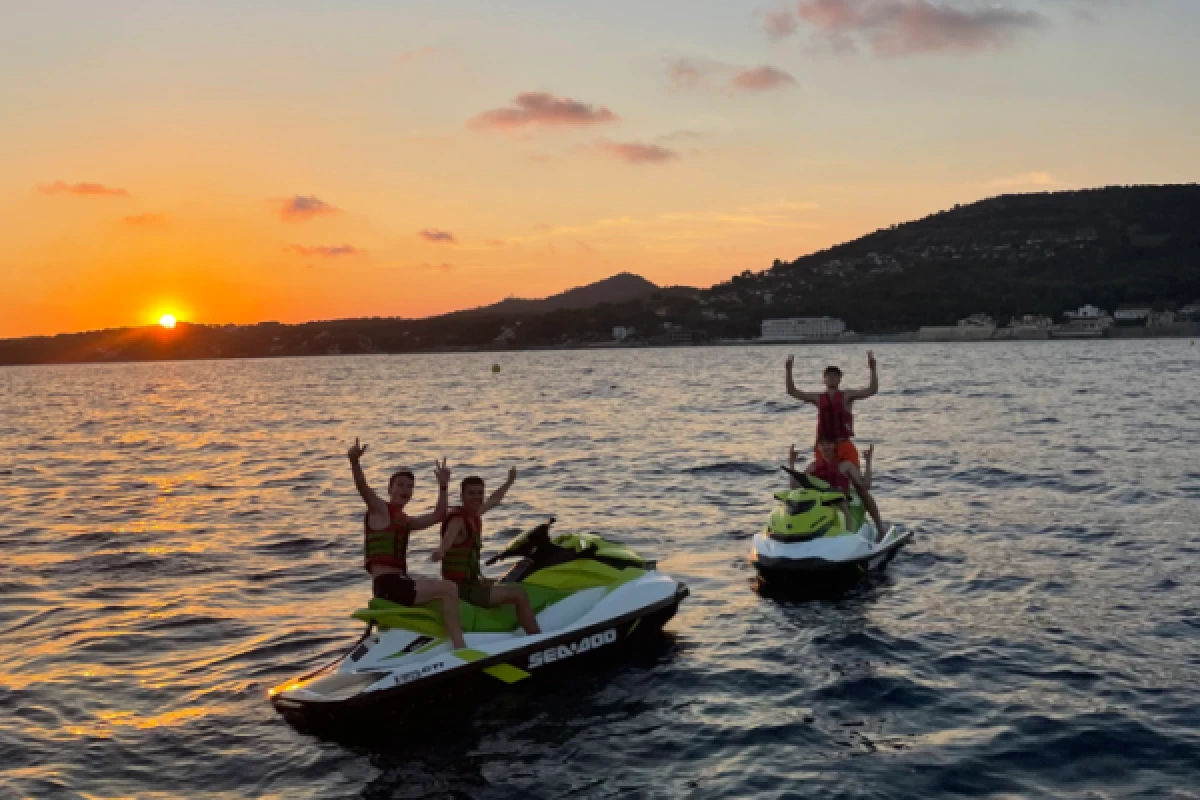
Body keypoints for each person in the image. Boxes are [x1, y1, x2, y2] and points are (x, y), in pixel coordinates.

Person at [347, 438, 468, 650]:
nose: (406, 489)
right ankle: (460, 647)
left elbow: (439, 515)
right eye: (401, 485)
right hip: (389, 586)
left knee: (439, 588)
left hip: (399, 583)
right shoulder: (380, 511)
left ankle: (428, 643)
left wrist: (443, 486)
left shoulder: (405, 520)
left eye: (410, 486)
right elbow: (363, 488)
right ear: (390, 489)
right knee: (449, 589)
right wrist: (354, 462)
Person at [433, 469, 541, 636]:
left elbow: (495, 499)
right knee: (519, 594)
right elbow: (447, 540)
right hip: (462, 589)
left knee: (514, 581)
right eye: (471, 493)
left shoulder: (474, 514)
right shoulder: (458, 520)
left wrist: (509, 481)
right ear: (462, 495)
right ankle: (536, 638)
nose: (476, 497)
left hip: (472, 583)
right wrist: (440, 552)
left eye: (479, 493)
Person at [784, 350, 878, 467]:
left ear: (840, 379)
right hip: (824, 447)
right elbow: (792, 392)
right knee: (821, 474)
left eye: (835, 375)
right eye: (829, 375)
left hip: (843, 444)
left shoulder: (847, 396)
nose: (832, 377)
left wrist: (873, 369)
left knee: (853, 475)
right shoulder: (818, 398)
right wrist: (788, 370)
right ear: (824, 379)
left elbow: (872, 390)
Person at [789, 438, 887, 541]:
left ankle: (850, 536)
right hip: (820, 504)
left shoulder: (846, 465)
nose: (825, 447)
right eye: (822, 444)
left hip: (841, 501)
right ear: (818, 447)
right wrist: (791, 463)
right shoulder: (813, 466)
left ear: (835, 445)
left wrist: (868, 462)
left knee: (842, 504)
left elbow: (865, 486)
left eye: (829, 443)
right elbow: (794, 487)